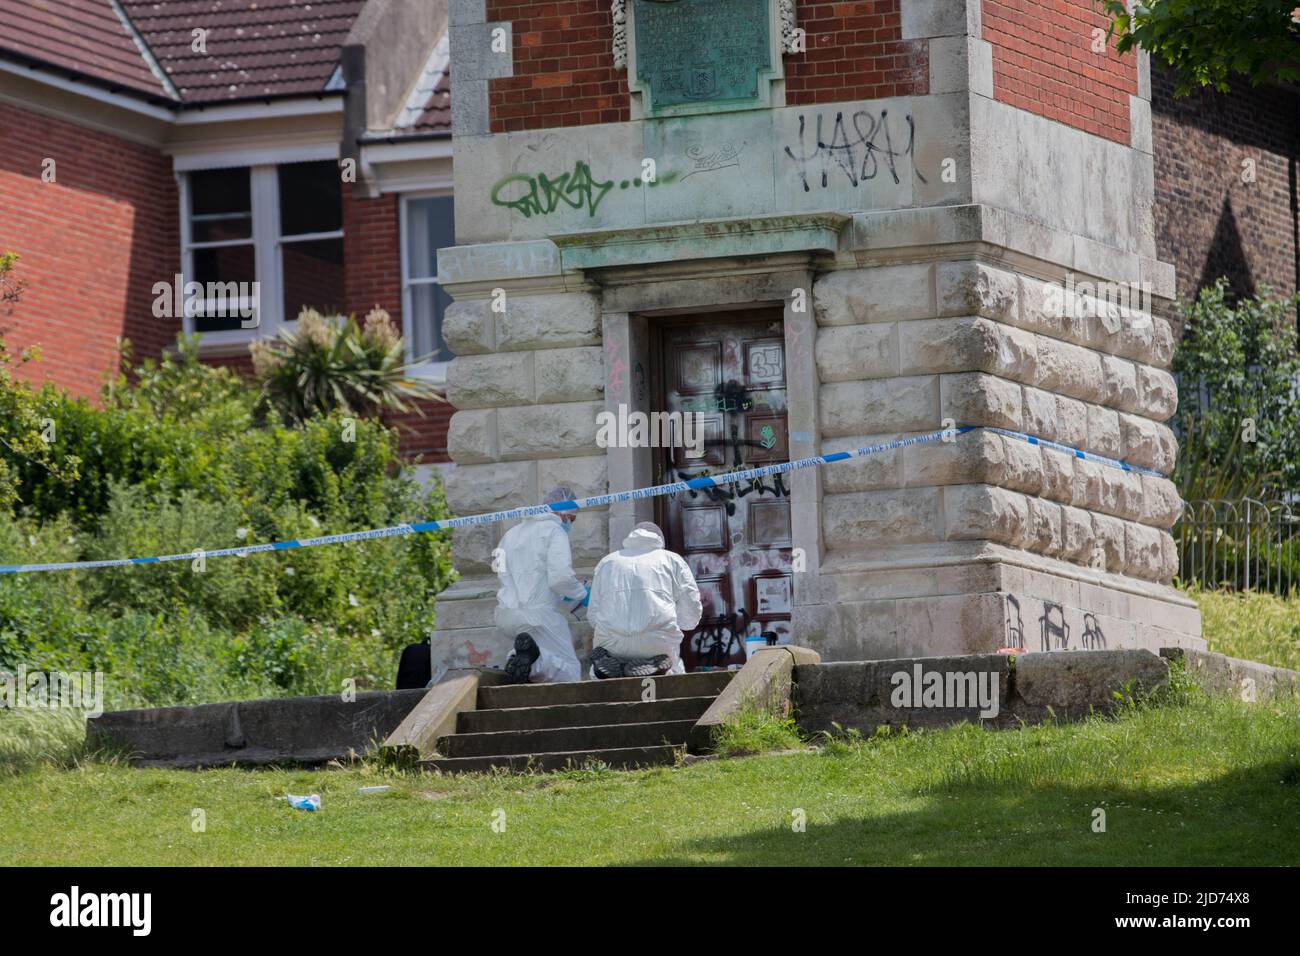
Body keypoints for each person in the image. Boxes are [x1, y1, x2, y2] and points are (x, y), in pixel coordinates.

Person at [493, 486, 589, 684]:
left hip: (506, 615)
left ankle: (520, 658)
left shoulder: (510, 535)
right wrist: (581, 593)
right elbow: (560, 578)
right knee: (570, 671)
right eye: (571, 519)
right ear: (562, 514)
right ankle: (534, 660)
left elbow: (500, 570)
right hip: (540, 617)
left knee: (540, 660)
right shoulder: (554, 531)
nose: (569, 525)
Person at [586, 521, 702, 679]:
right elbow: (692, 614)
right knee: (675, 669)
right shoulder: (672, 560)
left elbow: (593, 616)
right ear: (660, 541)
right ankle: (659, 667)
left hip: (611, 643)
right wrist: (677, 622)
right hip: (658, 643)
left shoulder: (607, 562)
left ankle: (614, 667)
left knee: (596, 672)